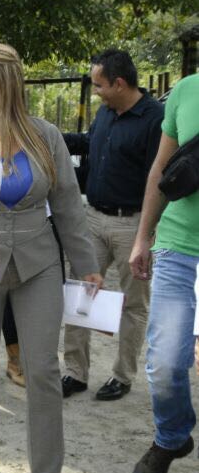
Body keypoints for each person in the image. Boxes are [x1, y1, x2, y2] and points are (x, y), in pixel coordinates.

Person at [0, 43, 101, 473]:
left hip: (39, 261)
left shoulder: (44, 136)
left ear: (5, 83)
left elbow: (67, 202)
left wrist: (87, 263)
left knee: (41, 371)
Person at [62, 49, 163, 400]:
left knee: (134, 304)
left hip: (132, 224)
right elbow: (90, 145)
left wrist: (147, 235)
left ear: (119, 83)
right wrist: (50, 136)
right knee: (79, 292)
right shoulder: (105, 113)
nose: (97, 91)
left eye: (100, 85)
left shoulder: (155, 119)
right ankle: (75, 372)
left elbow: (159, 178)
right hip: (93, 217)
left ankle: (123, 375)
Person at [128, 73, 199, 473]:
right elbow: (162, 165)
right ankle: (171, 436)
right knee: (165, 360)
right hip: (177, 242)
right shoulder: (187, 90)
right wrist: (143, 236)